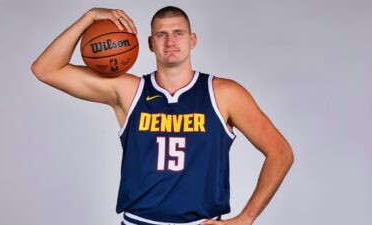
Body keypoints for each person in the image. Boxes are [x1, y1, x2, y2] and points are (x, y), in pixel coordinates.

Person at [31, 6, 294, 225]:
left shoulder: (223, 93)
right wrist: (88, 18)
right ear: (149, 43)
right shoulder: (129, 91)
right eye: (161, 35)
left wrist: (247, 217)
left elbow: (280, 152)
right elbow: (46, 69)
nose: (170, 42)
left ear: (192, 40)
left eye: (178, 33)